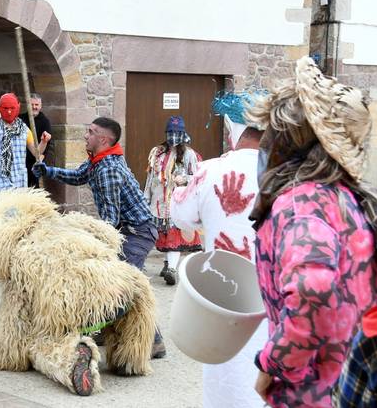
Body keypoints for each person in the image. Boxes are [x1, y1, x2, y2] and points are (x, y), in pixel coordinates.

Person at [247, 57, 377, 407]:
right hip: (353, 381)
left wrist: (275, 363)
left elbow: (313, 289)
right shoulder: (345, 196)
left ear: (291, 139)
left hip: (315, 391)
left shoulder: (302, 203)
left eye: (271, 131)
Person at [32, 116, 165, 358]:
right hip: (127, 229)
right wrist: (48, 171)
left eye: (91, 132)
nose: (85, 135)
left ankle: (154, 341)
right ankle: (106, 328)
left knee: (127, 287)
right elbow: (78, 177)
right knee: (111, 283)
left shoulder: (108, 169)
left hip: (136, 232)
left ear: (103, 139)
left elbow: (110, 220)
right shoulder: (98, 160)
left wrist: (89, 241)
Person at [171, 100, 267, 407]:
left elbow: (182, 217)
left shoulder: (211, 169)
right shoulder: (286, 173)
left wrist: (179, 189)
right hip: (271, 293)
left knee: (224, 369)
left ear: (234, 132)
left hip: (223, 291)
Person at [144, 115, 202, 285]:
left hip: (178, 202)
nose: (173, 136)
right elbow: (151, 178)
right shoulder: (158, 153)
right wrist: (146, 197)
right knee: (162, 234)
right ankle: (167, 263)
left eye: (176, 133)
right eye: (170, 132)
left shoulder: (190, 155)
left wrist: (184, 179)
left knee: (174, 235)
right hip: (158, 201)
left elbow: (199, 177)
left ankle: (172, 269)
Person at [0, 93, 50, 194]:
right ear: (0, 108)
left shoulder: (24, 130)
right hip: (0, 186)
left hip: (20, 185)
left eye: (12, 108)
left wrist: (43, 142)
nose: (9, 111)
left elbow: (37, 153)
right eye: (6, 108)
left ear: (18, 107)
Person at [19, 93, 52, 187]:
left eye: (36, 105)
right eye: (31, 104)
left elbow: (48, 141)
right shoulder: (20, 119)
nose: (34, 107)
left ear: (40, 106)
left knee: (34, 187)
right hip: (21, 160)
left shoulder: (45, 121)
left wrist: (42, 156)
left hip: (35, 160)